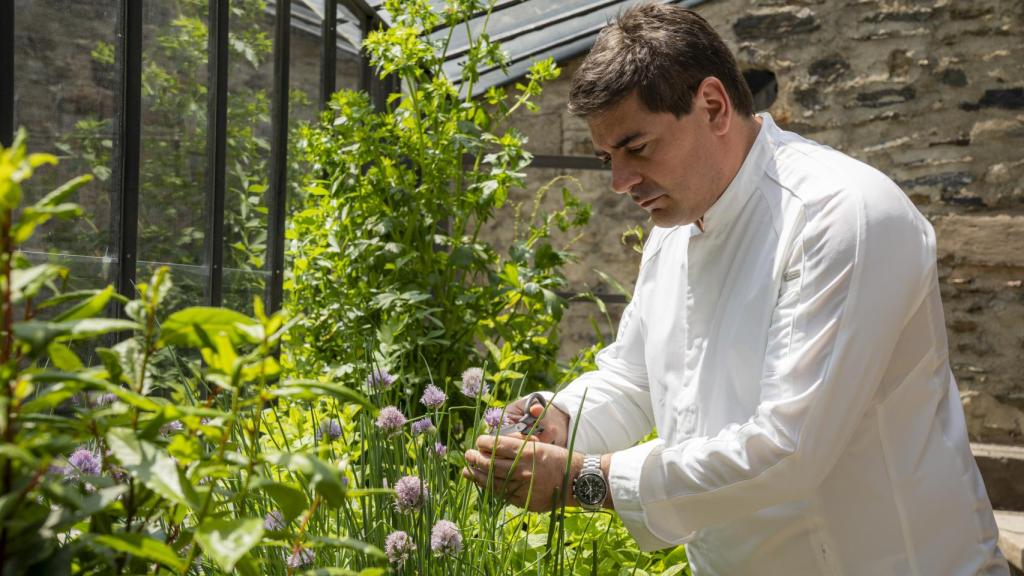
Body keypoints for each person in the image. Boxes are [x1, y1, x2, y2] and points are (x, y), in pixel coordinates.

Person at [462, 3, 1010, 575]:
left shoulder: (839, 216)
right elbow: (632, 379)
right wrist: (561, 420)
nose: (620, 183)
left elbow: (788, 450)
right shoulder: (673, 233)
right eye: (608, 158)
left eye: (637, 148)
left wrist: (586, 480)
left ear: (714, 106)